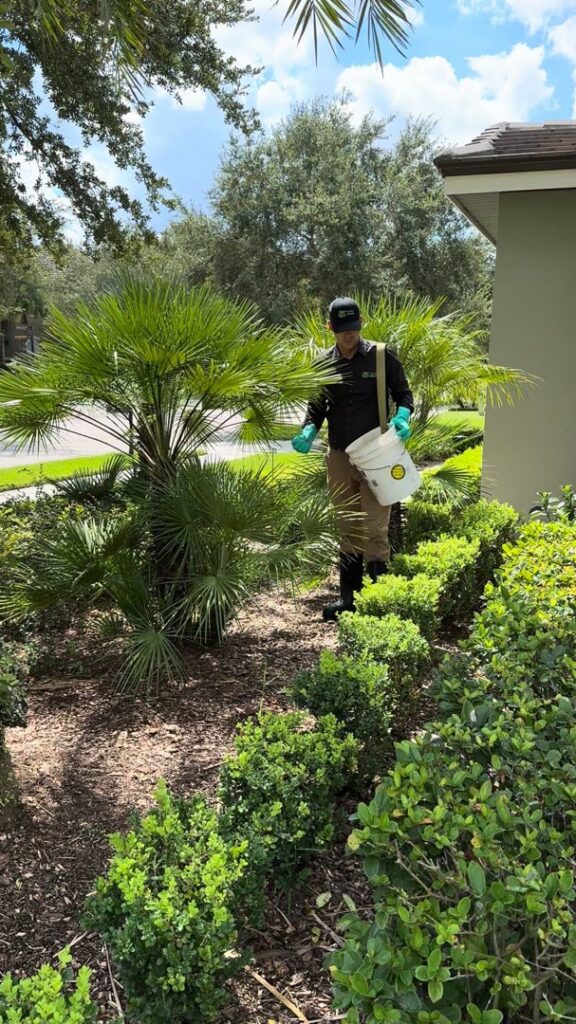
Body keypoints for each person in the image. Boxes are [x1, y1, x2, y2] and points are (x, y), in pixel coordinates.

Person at [292, 297, 414, 621]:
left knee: (376, 528)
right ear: (330, 328)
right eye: (343, 329)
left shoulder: (380, 356)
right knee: (348, 528)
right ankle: (349, 601)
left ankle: (376, 606)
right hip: (340, 457)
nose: (349, 335)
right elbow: (316, 408)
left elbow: (404, 394)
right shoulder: (322, 363)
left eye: (354, 328)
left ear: (361, 323)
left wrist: (402, 417)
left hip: (377, 455)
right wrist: (307, 431)